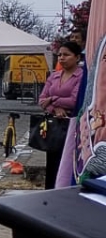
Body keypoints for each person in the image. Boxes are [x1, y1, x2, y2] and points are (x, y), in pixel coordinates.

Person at [36, 37, 85, 189]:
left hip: (72, 125)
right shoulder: (54, 76)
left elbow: (74, 101)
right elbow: (42, 100)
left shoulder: (81, 77)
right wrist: (54, 108)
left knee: (68, 162)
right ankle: (50, 190)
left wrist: (53, 98)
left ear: (77, 57)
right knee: (52, 162)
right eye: (60, 55)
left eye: (66, 55)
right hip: (54, 125)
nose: (62, 58)